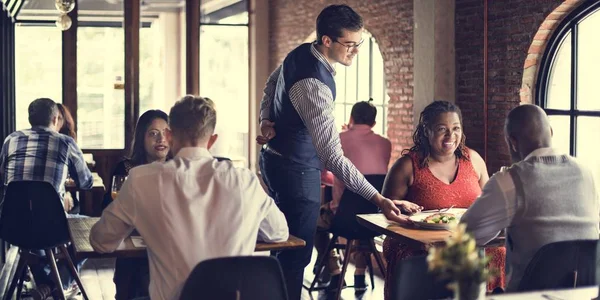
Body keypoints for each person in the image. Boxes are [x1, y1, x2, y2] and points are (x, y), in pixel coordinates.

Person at [257, 5, 420, 299]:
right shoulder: (314, 86)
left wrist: (265, 119)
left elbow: (272, 82)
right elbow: (333, 157)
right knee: (297, 256)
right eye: (350, 44)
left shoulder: (301, 52)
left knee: (283, 246)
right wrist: (378, 198)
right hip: (296, 171)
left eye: (360, 44)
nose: (356, 51)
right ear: (327, 41)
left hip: (273, 158)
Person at [90, 95, 289, 300]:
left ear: (169, 136)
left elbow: (101, 241)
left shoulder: (141, 180)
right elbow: (279, 232)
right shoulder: (245, 181)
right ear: (212, 140)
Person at [461, 104, 600, 292]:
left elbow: (467, 233)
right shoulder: (586, 173)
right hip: (585, 294)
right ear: (551, 132)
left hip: (528, 295)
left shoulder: (509, 181)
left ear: (512, 142)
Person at [381, 100, 505, 299]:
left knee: (498, 251)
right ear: (426, 131)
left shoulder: (473, 160)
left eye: (456, 128)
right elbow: (386, 213)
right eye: (441, 129)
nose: (450, 136)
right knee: (418, 257)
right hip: (417, 242)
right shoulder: (406, 166)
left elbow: (489, 205)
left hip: (468, 239)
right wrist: (403, 212)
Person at [0, 98, 93, 299]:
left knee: (32, 242)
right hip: (52, 226)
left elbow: (3, 177)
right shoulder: (66, 142)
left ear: (30, 119)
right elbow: (86, 182)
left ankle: (44, 285)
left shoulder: (11, 139)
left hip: (12, 225)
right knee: (92, 231)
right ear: (55, 118)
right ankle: (52, 285)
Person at [315, 100, 392, 292]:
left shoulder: (339, 139)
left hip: (344, 218)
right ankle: (359, 273)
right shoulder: (385, 143)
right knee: (363, 211)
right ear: (374, 123)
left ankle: (334, 270)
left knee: (314, 220)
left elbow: (324, 174)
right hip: (375, 218)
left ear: (351, 118)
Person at [102, 109, 171, 300]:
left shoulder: (180, 169)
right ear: (142, 137)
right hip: (132, 251)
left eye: (166, 132)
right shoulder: (126, 169)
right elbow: (107, 210)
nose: (161, 139)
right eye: (153, 133)